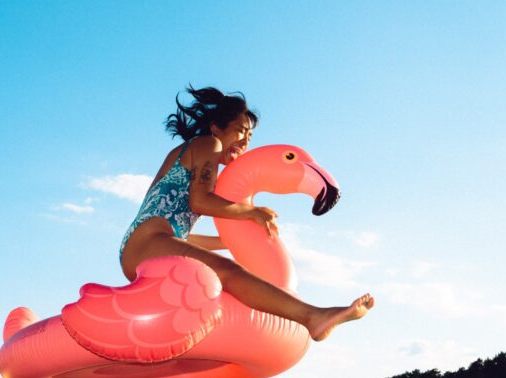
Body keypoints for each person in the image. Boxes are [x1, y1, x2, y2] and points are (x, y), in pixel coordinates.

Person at [118, 86, 374, 342]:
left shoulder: (199, 155)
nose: (245, 141)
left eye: (250, 136)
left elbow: (182, 237)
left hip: (143, 246)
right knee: (228, 271)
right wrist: (251, 212)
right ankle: (312, 317)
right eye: (240, 131)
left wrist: (230, 242)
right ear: (216, 127)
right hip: (145, 243)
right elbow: (200, 201)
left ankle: (312, 316)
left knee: (225, 272)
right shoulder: (209, 143)